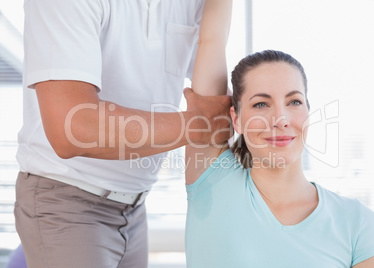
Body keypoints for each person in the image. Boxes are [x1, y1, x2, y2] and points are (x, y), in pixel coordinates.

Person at [14, 0, 232, 267]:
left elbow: (211, 89)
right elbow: (73, 128)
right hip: (68, 200)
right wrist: (196, 126)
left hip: (135, 207)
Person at [184, 49, 374, 267]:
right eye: (261, 104)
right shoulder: (214, 183)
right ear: (236, 119)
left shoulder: (357, 222)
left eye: (294, 102)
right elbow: (211, 42)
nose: (281, 119)